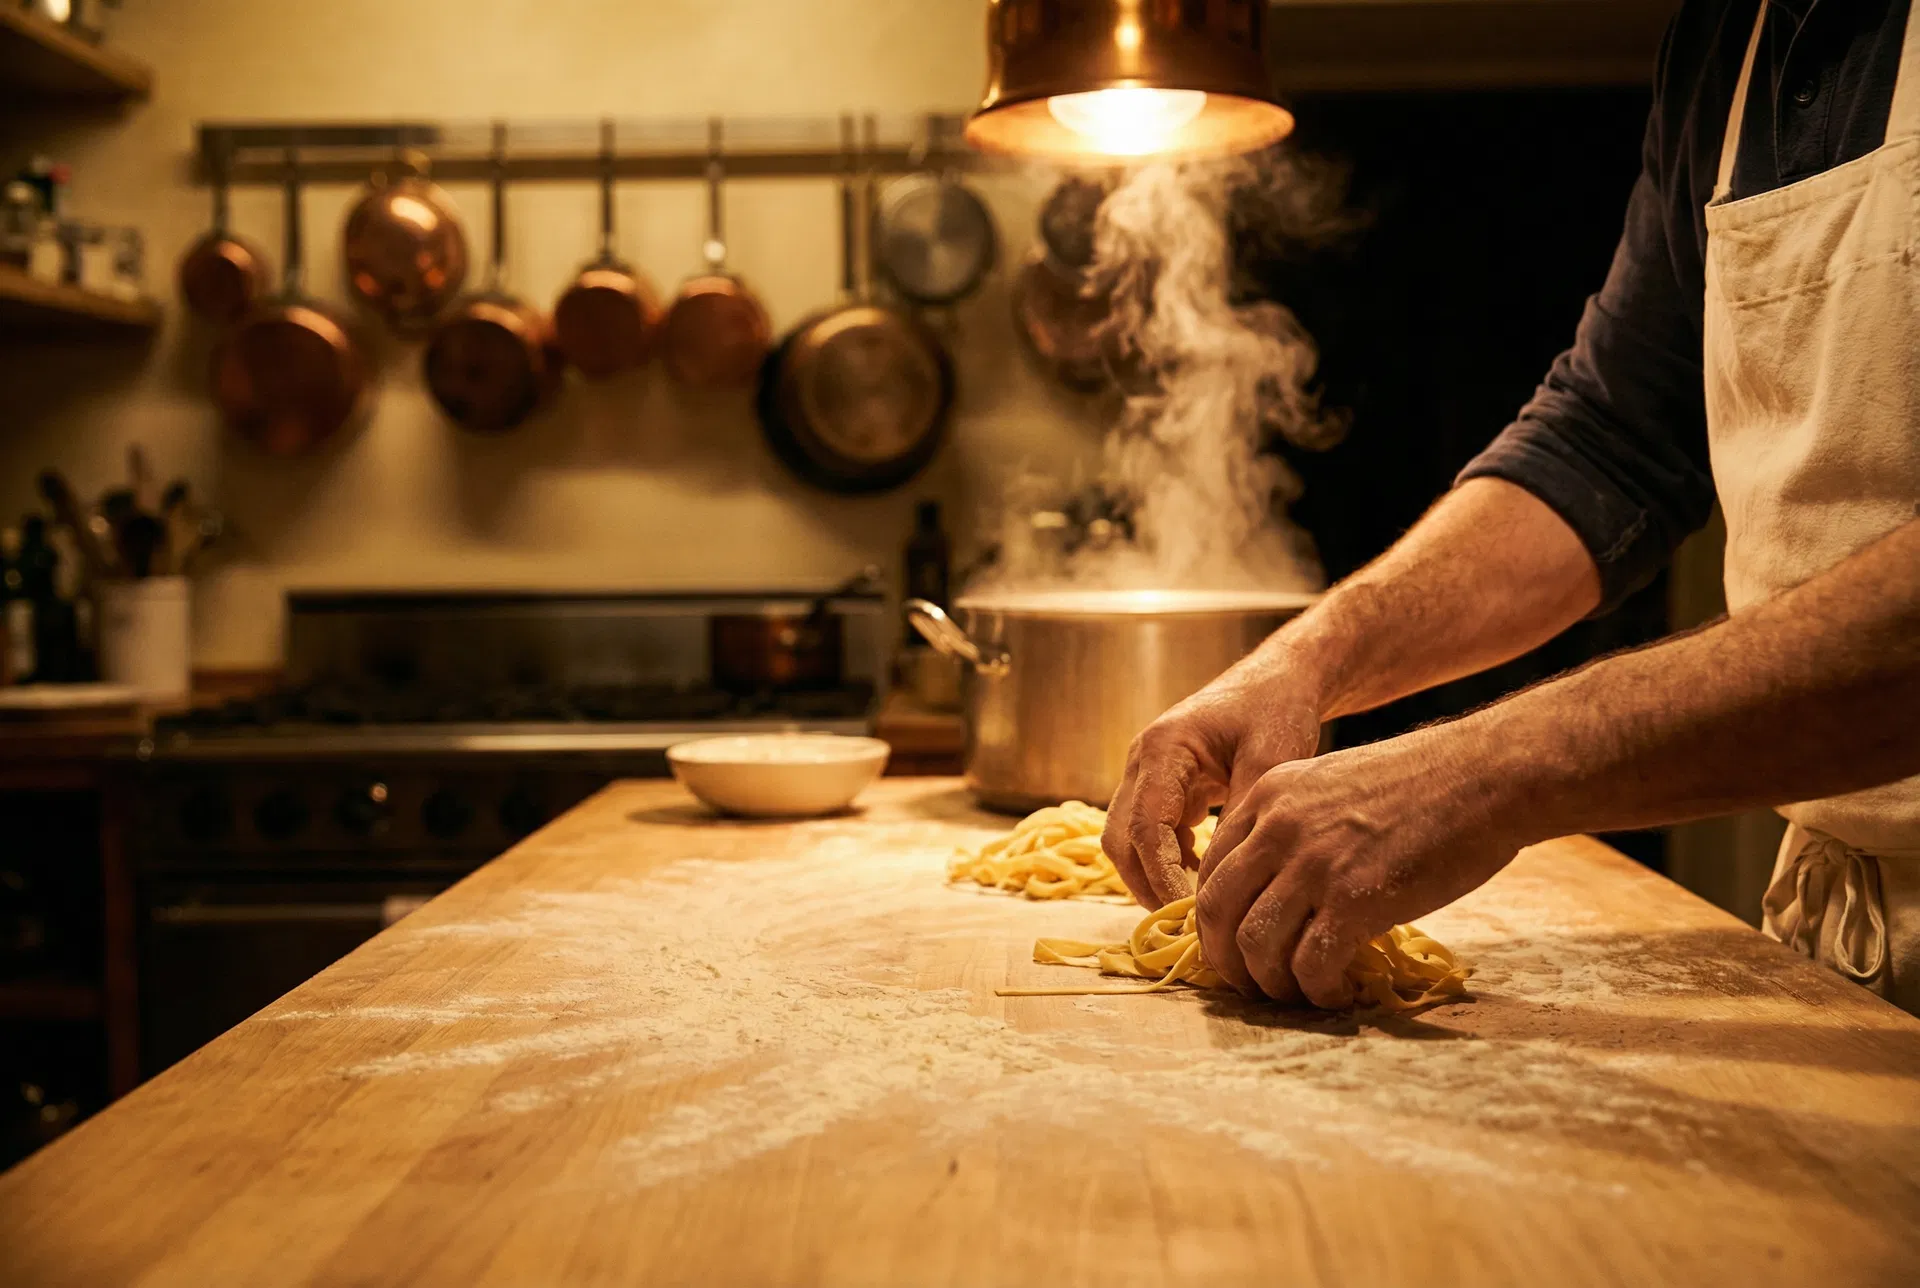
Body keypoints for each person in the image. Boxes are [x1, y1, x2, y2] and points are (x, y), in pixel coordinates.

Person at [1102, 0, 1920, 1014]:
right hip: (1850, 935)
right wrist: (1306, 662)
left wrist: (1483, 772)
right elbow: (1608, 443)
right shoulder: (1727, 36)